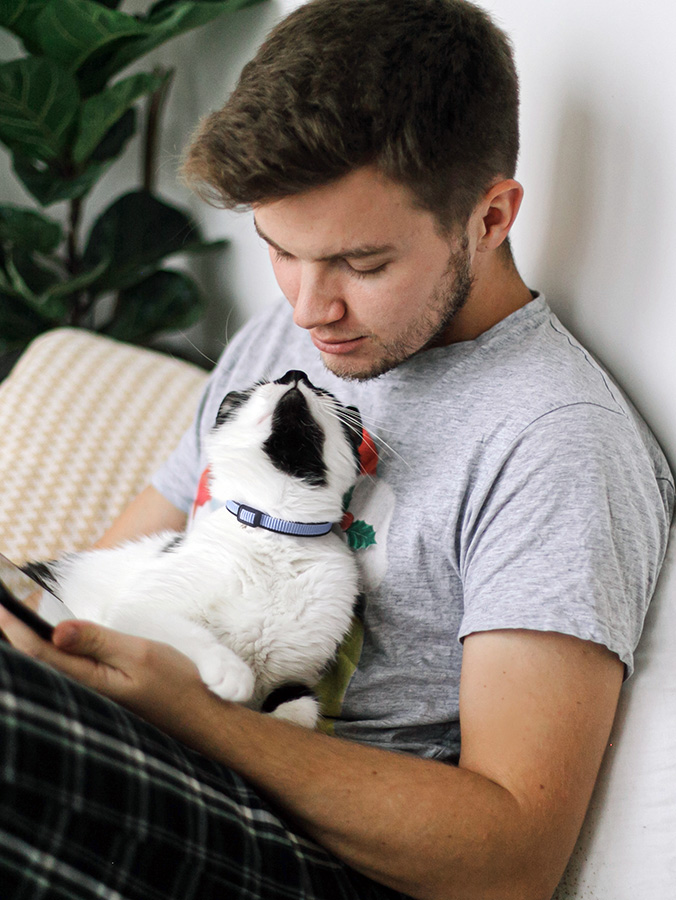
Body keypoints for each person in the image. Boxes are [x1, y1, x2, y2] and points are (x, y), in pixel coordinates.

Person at [0, 1, 673, 898]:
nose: (310, 307)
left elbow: (511, 858)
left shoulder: (555, 442)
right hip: (160, 752)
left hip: (303, 855)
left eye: (361, 265)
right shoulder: (293, 333)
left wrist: (195, 712)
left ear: (491, 217)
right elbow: (129, 552)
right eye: (279, 250)